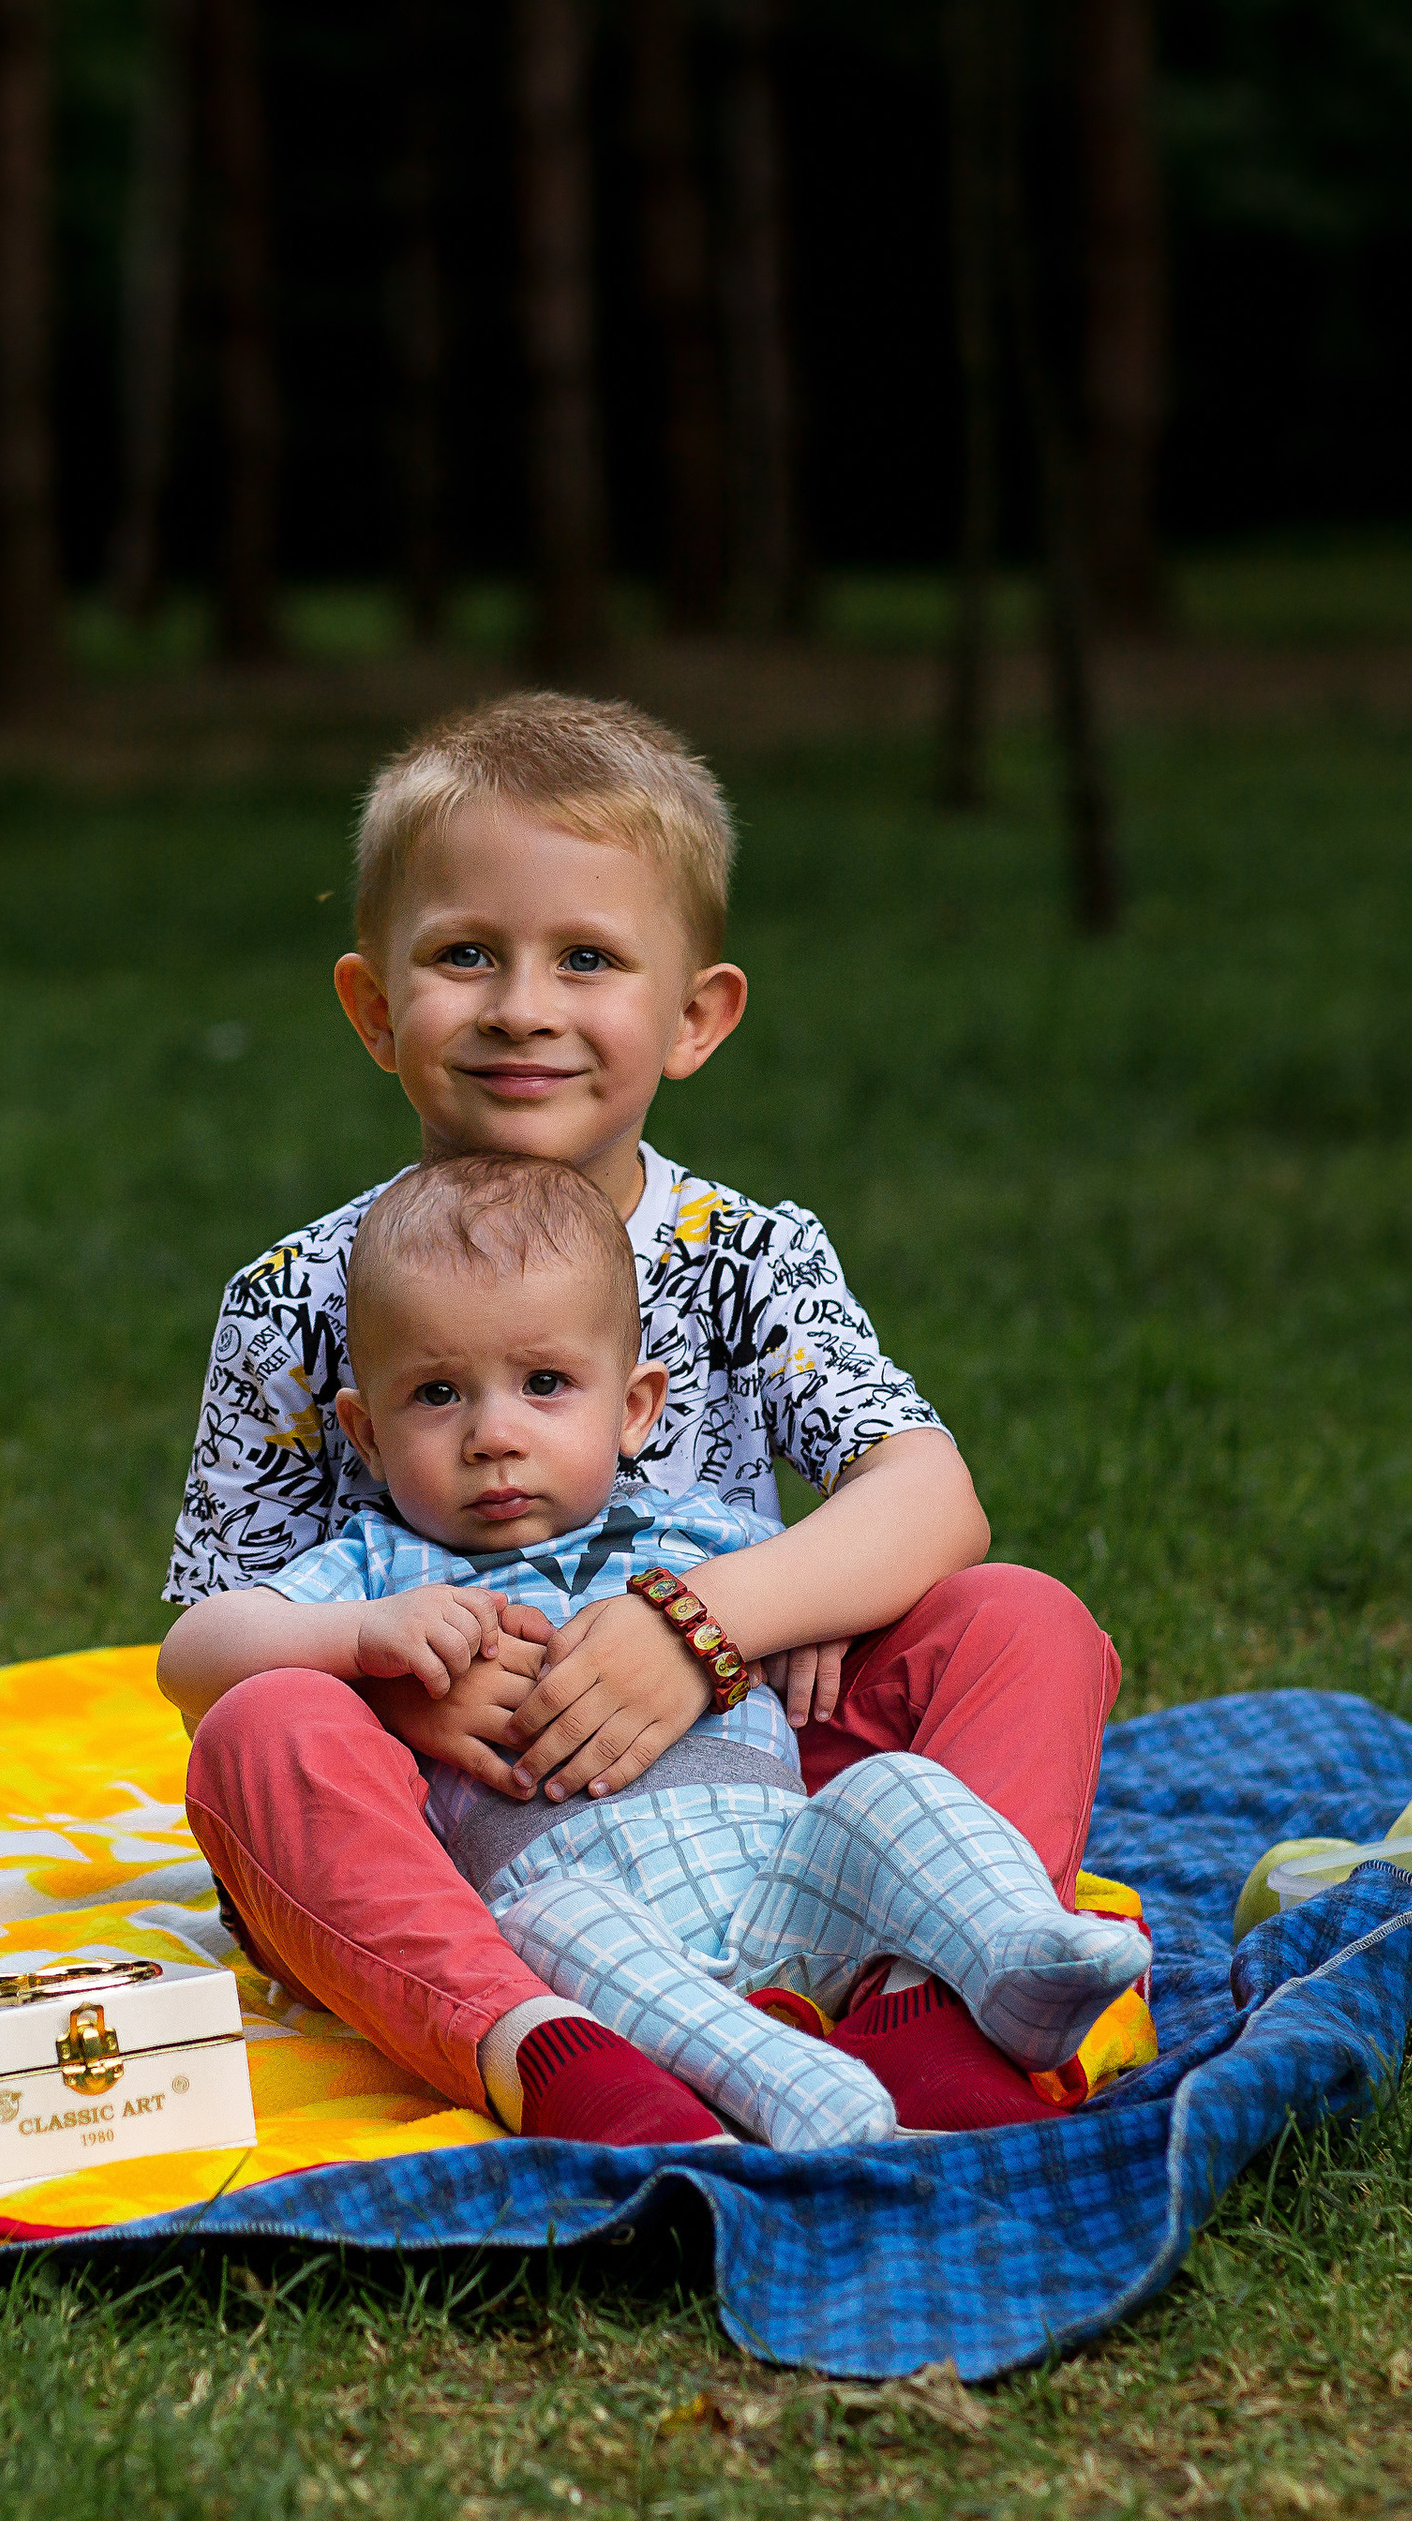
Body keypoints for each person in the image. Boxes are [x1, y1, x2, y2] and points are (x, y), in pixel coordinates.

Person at [167, 691, 1122, 2141]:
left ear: (694, 1017)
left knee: (1020, 1620)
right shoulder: (297, 1295)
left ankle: (923, 2006)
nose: (522, 1006)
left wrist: (715, 1621)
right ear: (374, 1007)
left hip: (769, 1785)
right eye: (466, 955)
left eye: (588, 959)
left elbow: (931, 1491)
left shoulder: (744, 1255)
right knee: (260, 1739)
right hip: (472, 1833)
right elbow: (208, 1647)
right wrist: (394, 1685)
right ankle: (539, 2051)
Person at [158, 1157, 1150, 2149]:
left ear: (633, 1408)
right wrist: (357, 1645)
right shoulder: (380, 1566)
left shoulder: (702, 1530)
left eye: (545, 1383)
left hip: (791, 1883)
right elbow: (193, 1654)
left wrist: (792, 1612)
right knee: (306, 1751)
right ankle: (577, 2062)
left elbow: (910, 1530)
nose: (493, 1433)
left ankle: (955, 1993)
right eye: (436, 1394)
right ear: (364, 1436)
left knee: (921, 1753)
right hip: (580, 1939)